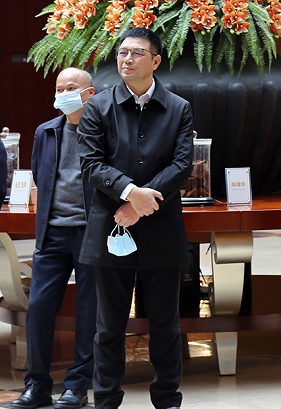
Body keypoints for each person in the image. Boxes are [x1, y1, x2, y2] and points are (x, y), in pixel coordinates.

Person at [77, 28, 194, 409]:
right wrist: (130, 193)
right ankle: (106, 400)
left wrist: (141, 204)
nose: (127, 59)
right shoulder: (98, 106)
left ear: (156, 61)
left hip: (161, 230)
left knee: (165, 325)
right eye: (122, 52)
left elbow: (181, 164)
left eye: (137, 53)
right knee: (109, 327)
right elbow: (91, 164)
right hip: (110, 225)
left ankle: (167, 399)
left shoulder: (178, 108)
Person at [13, 69, 97, 409]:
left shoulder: (104, 130)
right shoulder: (45, 131)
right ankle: (36, 385)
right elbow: (40, 175)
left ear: (89, 93)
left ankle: (77, 387)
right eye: (59, 89)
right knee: (39, 308)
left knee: (89, 312)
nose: (63, 94)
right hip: (51, 233)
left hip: (91, 232)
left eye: (71, 88)